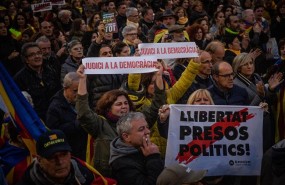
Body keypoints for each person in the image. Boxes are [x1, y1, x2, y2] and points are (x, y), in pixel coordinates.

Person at [75, 64, 165, 177]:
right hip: (109, 177)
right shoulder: (100, 125)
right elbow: (83, 113)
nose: (124, 106)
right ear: (108, 107)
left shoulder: (138, 119)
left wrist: (159, 76)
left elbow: (157, 104)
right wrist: (82, 80)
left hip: (137, 174)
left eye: (126, 103)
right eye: (118, 104)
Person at [17, 130, 95, 185]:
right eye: (52, 157)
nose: (60, 162)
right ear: (39, 160)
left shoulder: (85, 175)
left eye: (64, 154)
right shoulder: (28, 181)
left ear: (70, 154)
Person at [109, 112, 164, 185]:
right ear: (126, 137)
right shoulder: (122, 165)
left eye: (147, 127)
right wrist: (153, 157)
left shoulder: (142, 148)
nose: (148, 132)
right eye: (141, 129)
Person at [14, 42, 61, 121]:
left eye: (39, 53)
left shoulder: (51, 71)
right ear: (26, 59)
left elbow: (59, 92)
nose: (37, 56)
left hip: (56, 113)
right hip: (36, 118)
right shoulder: (19, 78)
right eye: (32, 55)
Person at [46, 72, 87, 160]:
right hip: (70, 152)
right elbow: (53, 133)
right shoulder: (54, 107)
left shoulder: (84, 97)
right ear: (65, 88)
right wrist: (76, 124)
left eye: (81, 89)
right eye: (75, 91)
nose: (79, 94)